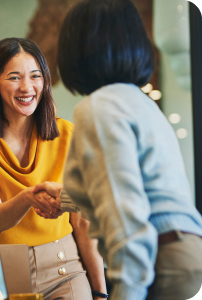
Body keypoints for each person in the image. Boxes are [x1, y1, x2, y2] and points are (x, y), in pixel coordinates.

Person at [34, 1, 202, 300]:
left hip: (162, 264)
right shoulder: (140, 103)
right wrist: (65, 198)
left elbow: (126, 218)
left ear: (78, 49)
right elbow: (140, 189)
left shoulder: (99, 108)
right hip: (184, 254)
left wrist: (125, 292)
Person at [0, 37, 107, 300]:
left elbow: (82, 222)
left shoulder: (68, 134)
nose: (27, 87)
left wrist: (100, 292)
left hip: (65, 268)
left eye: (35, 76)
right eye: (14, 77)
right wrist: (28, 197)